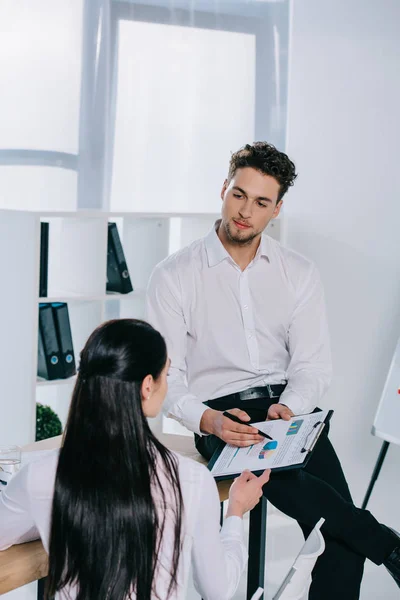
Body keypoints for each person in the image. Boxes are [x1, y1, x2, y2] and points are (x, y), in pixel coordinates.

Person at [146, 142, 400, 599]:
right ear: (224, 189)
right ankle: (391, 547)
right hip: (223, 417)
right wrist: (211, 420)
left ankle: (382, 546)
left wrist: (290, 407)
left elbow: (311, 366)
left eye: (261, 202)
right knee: (335, 515)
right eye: (239, 195)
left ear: (277, 208)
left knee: (342, 542)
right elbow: (170, 380)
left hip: (287, 411)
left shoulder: (298, 272)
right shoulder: (174, 275)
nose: (245, 211)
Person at [0, 319, 270, 600]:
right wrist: (236, 511)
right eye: (165, 375)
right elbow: (217, 590)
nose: (166, 386)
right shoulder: (189, 479)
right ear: (147, 386)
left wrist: (48, 514)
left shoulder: (39, 476)